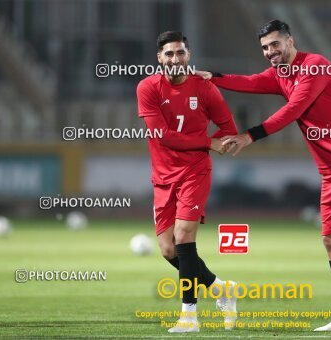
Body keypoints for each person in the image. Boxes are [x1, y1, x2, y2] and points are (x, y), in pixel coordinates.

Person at [198, 20, 331, 332]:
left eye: (275, 44)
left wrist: (248, 136)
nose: (270, 52)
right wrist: (214, 77)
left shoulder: (315, 66)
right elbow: (250, 82)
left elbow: (293, 110)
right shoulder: (281, 74)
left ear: (290, 41)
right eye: (265, 48)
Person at [137, 31, 239, 333]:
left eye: (180, 53)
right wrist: (209, 143)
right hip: (163, 177)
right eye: (169, 54)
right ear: (160, 58)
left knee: (184, 237)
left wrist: (223, 143)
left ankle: (189, 317)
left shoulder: (205, 90)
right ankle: (222, 289)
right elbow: (164, 136)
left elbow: (229, 128)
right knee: (169, 250)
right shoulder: (147, 88)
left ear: (188, 55)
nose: (175, 59)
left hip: (195, 173)